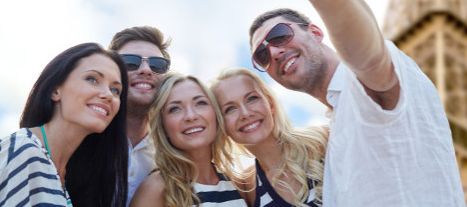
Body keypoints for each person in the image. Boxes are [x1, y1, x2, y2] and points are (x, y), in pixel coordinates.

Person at [199, 0, 466, 206]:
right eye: (262, 54)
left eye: (280, 35)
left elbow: (370, 59)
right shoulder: (335, 130)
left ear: (315, 32)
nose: (275, 51)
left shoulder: (360, 85)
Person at [0, 42, 129, 206]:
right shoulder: (21, 150)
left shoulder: (63, 176)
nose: (108, 95)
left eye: (116, 90)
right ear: (56, 90)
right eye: (92, 79)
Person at [211, 68, 328, 207]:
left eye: (252, 98)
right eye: (230, 109)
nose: (245, 113)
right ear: (221, 125)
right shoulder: (246, 187)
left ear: (270, 104)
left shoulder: (323, 140)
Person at [130, 73, 248, 207]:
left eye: (200, 103)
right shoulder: (156, 189)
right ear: (163, 127)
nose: (190, 116)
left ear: (216, 114)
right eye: (175, 109)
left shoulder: (239, 185)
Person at [109, 26, 172, 205]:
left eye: (157, 65)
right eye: (130, 62)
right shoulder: (83, 138)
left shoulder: (174, 152)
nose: (146, 70)